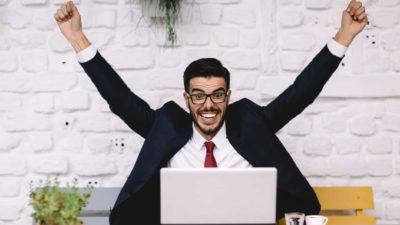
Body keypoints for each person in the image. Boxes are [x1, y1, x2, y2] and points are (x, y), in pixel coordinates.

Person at [54, 1, 368, 224]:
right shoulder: (166, 126)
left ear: (228, 96)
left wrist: (344, 36)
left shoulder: (250, 123)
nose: (208, 104)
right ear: (187, 99)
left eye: (217, 95)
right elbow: (120, 99)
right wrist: (77, 38)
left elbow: (300, 94)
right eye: (199, 96)